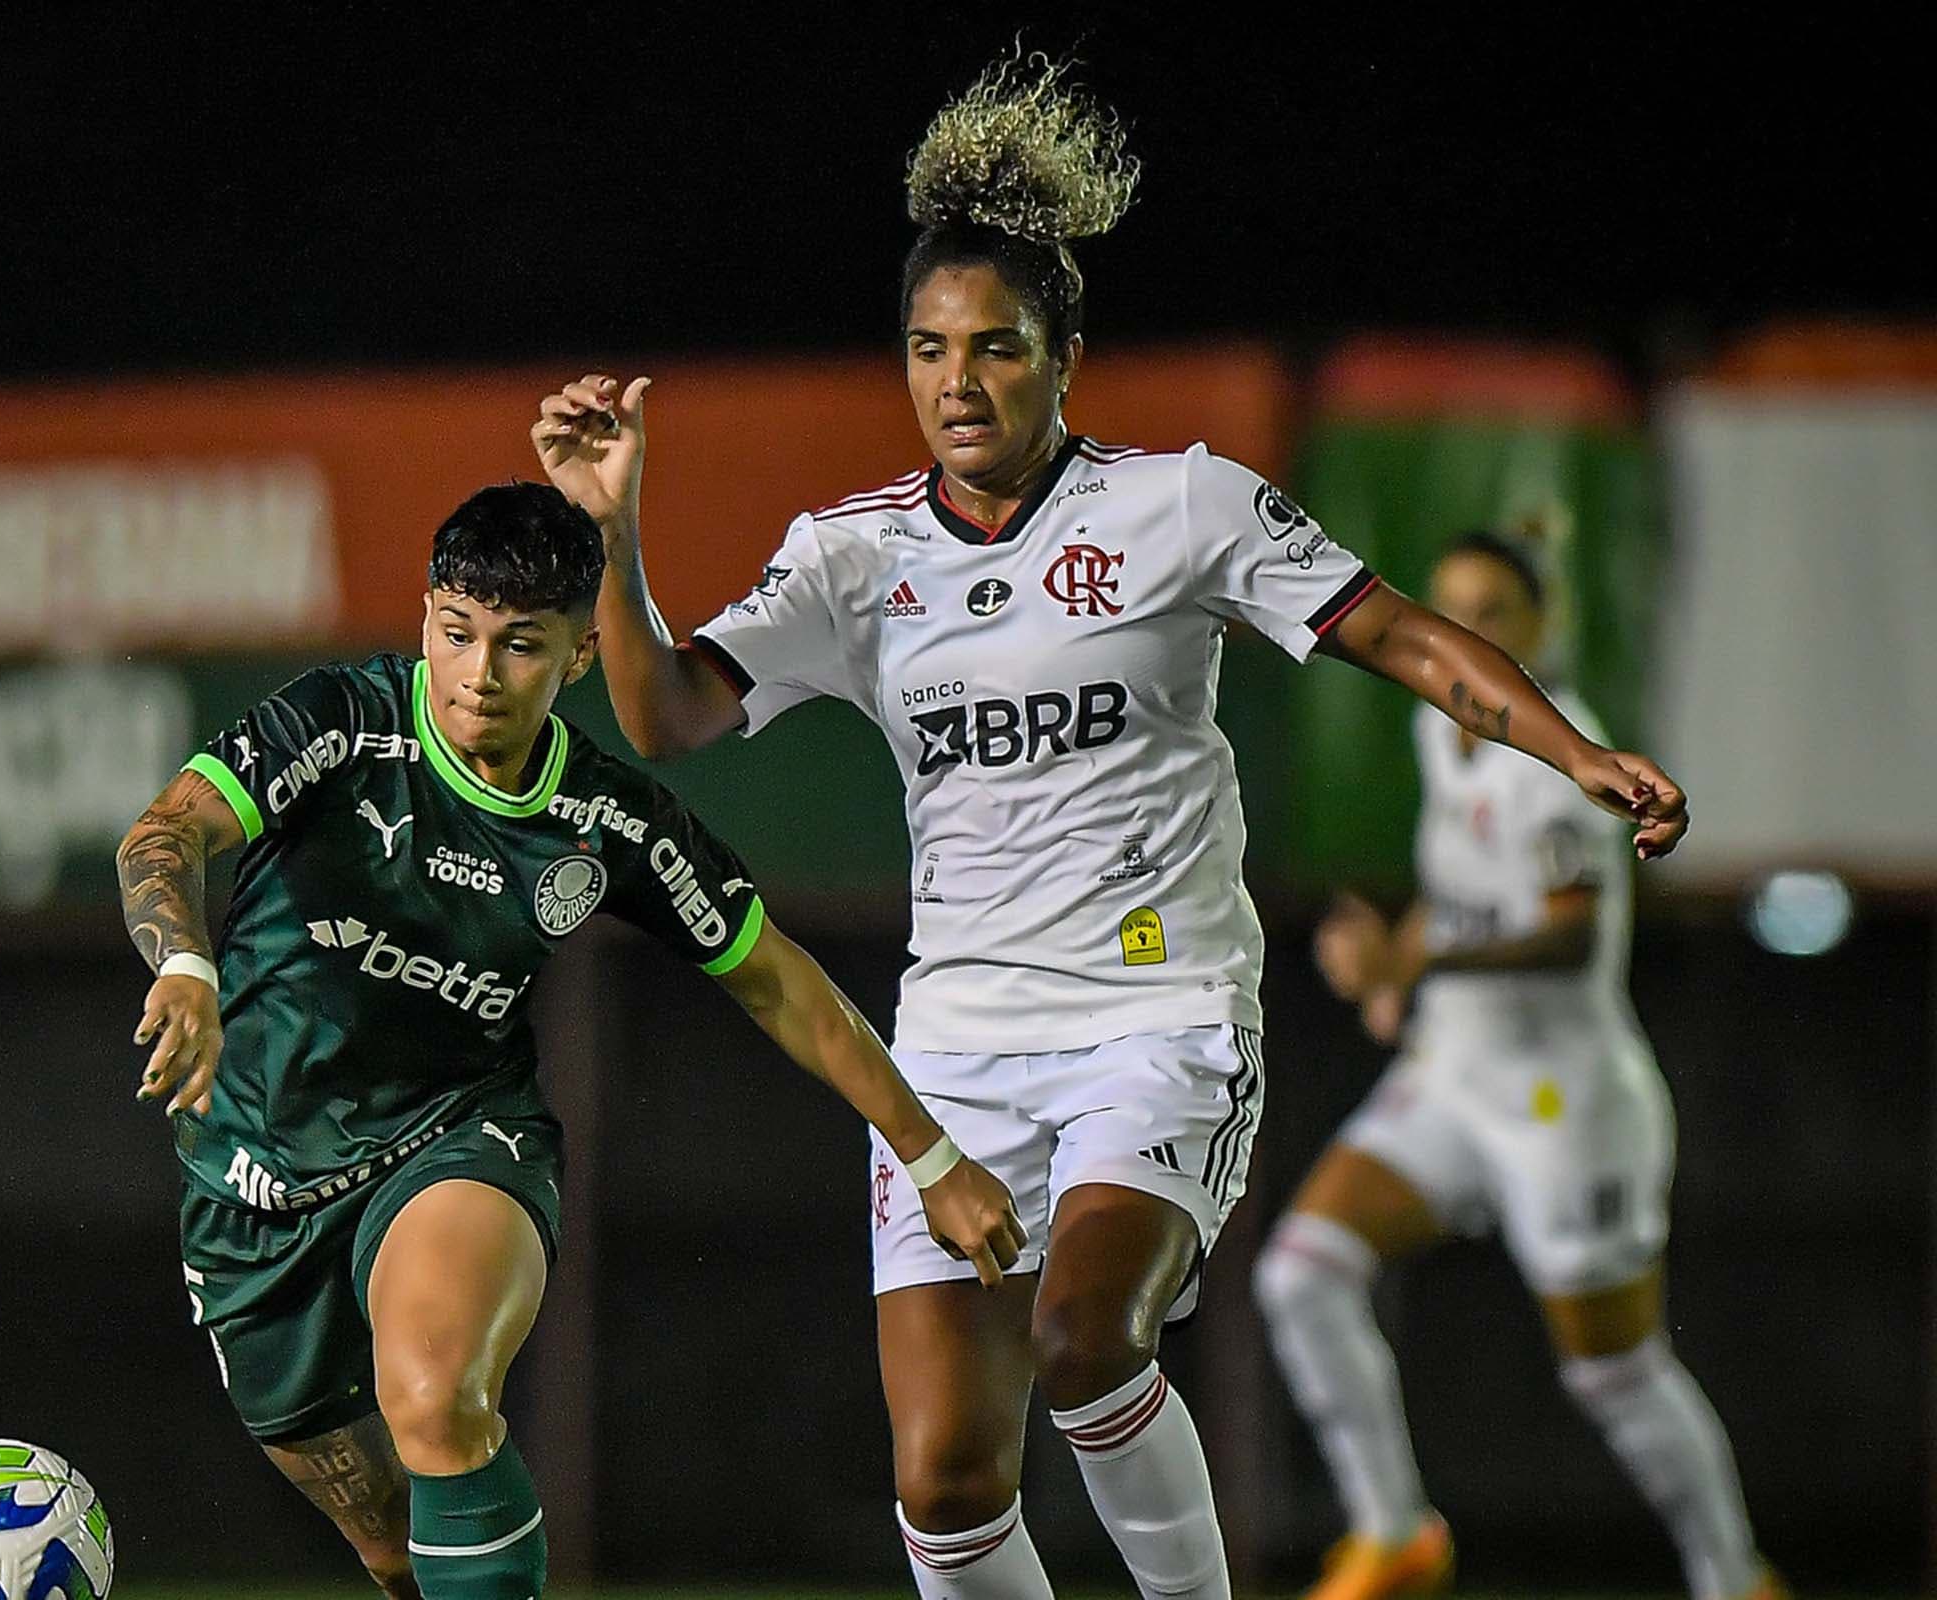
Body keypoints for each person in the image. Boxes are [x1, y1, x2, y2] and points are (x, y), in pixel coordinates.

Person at [530, 49, 1688, 1600]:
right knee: (944, 1481)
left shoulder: (1184, 508)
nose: (957, 379)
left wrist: (1574, 750)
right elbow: (668, 714)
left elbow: (1400, 636)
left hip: (1159, 1016)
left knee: (1086, 1341)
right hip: (953, 1043)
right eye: (929, 347)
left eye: (995, 347)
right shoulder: (851, 557)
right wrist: (618, 537)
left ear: (1063, 359)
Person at [113, 480, 1024, 1600]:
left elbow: (779, 983)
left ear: (579, 657)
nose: (480, 675)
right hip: (247, 1177)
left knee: (438, 1395)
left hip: (452, 1139)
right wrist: (188, 966)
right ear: (428, 620)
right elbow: (165, 833)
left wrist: (931, 1156)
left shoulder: (607, 821)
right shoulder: (338, 723)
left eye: (520, 646)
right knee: (392, 1549)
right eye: (458, 635)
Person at [1251, 531, 1775, 1600]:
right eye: (1449, 608)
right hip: (1454, 1077)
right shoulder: (1439, 727)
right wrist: (1399, 958)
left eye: (1493, 610)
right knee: (1301, 1273)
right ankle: (1394, 1533)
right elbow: (1464, 894)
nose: (1465, 633)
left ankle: (1735, 1581)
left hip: (1563, 1103)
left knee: (1614, 1372)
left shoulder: (1565, 748)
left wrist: (1421, 952)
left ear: (1543, 628)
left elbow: (1569, 933)